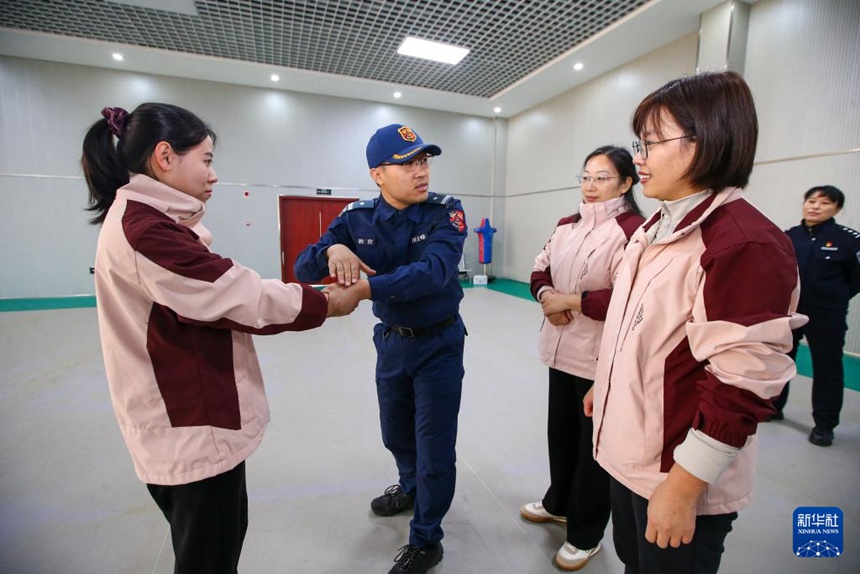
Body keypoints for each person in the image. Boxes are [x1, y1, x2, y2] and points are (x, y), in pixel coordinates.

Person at [82, 103, 357, 574]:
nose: (213, 175)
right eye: (206, 160)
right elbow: (235, 294)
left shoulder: (144, 218)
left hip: (186, 419)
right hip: (189, 425)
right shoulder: (145, 229)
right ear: (165, 156)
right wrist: (327, 302)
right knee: (209, 558)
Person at [584, 71, 806, 574]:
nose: (637, 157)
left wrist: (684, 487)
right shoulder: (657, 225)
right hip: (630, 454)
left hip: (673, 471)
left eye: (651, 143)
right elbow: (641, 328)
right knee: (633, 562)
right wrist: (608, 385)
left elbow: (743, 381)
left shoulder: (742, 243)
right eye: (637, 142)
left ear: (707, 141)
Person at [294, 124, 467, 574]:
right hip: (392, 343)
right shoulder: (356, 218)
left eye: (424, 160)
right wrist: (332, 249)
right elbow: (302, 265)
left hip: (439, 343)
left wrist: (366, 288)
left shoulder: (445, 212)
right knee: (396, 432)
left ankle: (427, 539)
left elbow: (434, 272)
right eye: (408, 163)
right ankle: (409, 488)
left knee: (434, 446)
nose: (421, 171)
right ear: (378, 175)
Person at [522, 145, 644, 571]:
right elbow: (540, 269)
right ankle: (559, 502)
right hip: (560, 350)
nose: (591, 186)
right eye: (586, 176)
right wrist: (546, 297)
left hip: (600, 359)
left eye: (602, 177)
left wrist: (567, 301)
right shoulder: (566, 225)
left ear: (627, 183)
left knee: (595, 451)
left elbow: (627, 298)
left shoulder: (634, 230)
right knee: (562, 435)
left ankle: (586, 532)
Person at [772, 185, 860, 446]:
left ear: (837, 208)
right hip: (790, 312)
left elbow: (856, 280)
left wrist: (835, 297)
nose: (815, 207)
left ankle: (824, 425)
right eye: (811, 201)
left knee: (828, 369)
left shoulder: (849, 240)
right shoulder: (788, 237)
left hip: (827, 316)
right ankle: (773, 407)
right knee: (780, 361)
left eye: (824, 203)